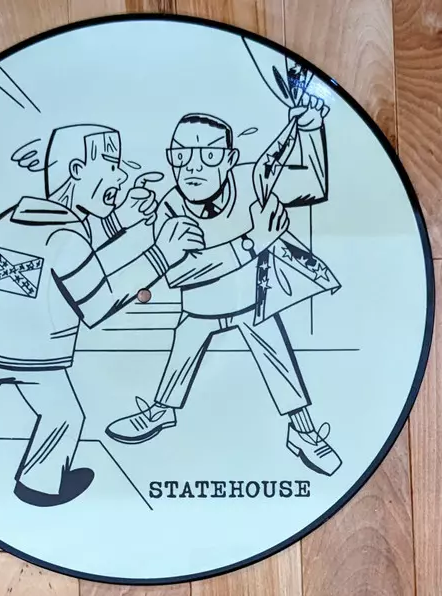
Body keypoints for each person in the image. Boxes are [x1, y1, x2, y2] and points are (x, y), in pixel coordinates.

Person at [0, 124, 204, 506]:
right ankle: (39, 485)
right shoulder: (67, 238)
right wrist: (161, 255)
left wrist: (117, 224)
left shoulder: (9, 220)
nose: (121, 177)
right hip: (38, 358)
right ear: (77, 169)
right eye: (111, 164)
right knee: (65, 416)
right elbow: (96, 305)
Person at [105, 101, 343, 476]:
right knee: (183, 349)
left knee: (278, 358)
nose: (192, 166)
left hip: (252, 303)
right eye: (180, 155)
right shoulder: (170, 207)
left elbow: (312, 186)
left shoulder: (254, 181)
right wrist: (253, 242)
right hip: (200, 308)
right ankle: (162, 411)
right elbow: (183, 273)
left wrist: (311, 129)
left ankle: (303, 431)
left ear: (230, 158)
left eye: (209, 155)